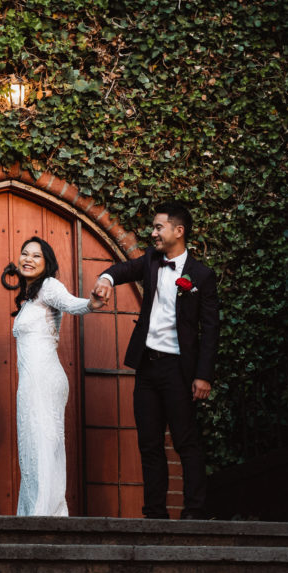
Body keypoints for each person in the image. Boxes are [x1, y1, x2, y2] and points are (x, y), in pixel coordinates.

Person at [92, 200, 220, 519]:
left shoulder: (202, 276)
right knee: (149, 443)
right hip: (147, 367)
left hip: (179, 369)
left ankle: (194, 512)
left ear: (179, 230)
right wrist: (106, 280)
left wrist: (203, 376)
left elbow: (211, 329)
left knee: (185, 441)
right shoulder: (150, 260)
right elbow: (122, 270)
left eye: (159, 227)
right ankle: (154, 514)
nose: (153, 233)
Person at [5, 236, 104, 516]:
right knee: (33, 444)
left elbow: (72, 304)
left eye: (36, 256)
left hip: (44, 378)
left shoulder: (49, 286)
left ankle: (44, 515)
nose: (28, 259)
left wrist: (91, 304)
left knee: (42, 443)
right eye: (25, 254)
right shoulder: (29, 298)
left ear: (47, 263)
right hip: (31, 379)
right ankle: (35, 513)